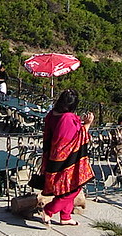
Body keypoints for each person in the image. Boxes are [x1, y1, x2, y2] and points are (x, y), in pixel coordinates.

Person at [38, 88, 95, 226]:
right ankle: (49, 210)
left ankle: (66, 216)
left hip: (53, 156)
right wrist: (87, 125)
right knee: (73, 188)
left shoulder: (53, 114)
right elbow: (72, 140)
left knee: (67, 187)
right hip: (65, 160)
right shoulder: (67, 118)